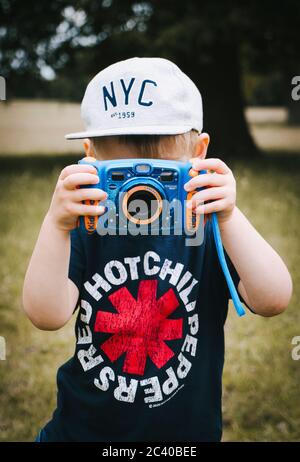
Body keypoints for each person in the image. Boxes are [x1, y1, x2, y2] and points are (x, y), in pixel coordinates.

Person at [22, 57, 292, 442]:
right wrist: (55, 224)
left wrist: (230, 217)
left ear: (198, 154)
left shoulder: (209, 224)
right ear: (89, 158)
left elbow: (274, 298)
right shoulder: (87, 222)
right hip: (82, 431)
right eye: (122, 173)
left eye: (163, 174)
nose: (141, 190)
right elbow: (45, 315)